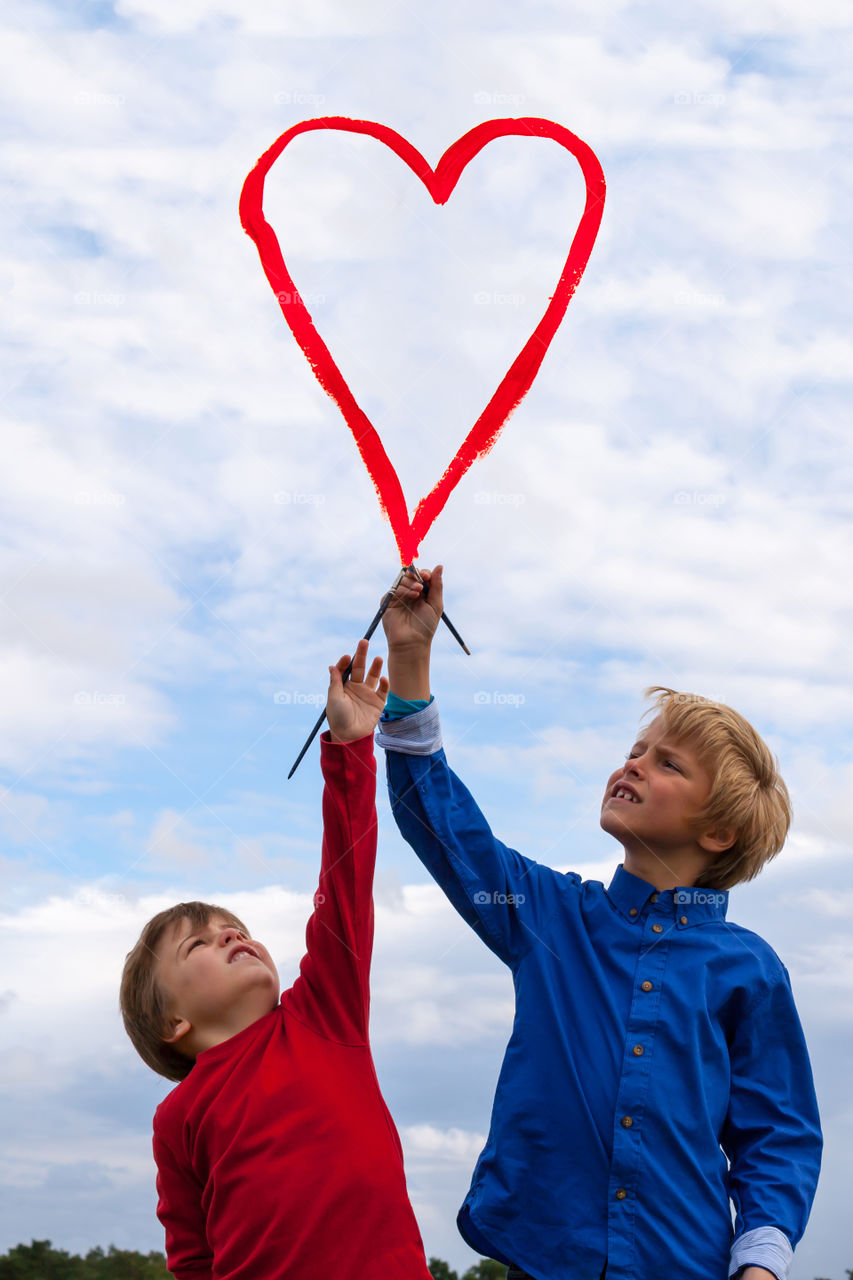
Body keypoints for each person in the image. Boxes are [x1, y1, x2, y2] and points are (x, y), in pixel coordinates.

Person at [378, 565, 821, 1280]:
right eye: (635, 750)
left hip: (684, 1263)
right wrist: (409, 656)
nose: (634, 764)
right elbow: (448, 832)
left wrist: (760, 1264)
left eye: (666, 763)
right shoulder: (549, 916)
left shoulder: (749, 969)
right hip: (545, 1255)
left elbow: (778, 1133)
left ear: (716, 834)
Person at [120, 639, 432, 1280]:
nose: (233, 937)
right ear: (171, 1023)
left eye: (236, 928)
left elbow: (345, 886)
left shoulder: (323, 1014)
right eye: (199, 943)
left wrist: (348, 750)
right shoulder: (177, 1120)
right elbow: (194, 1259)